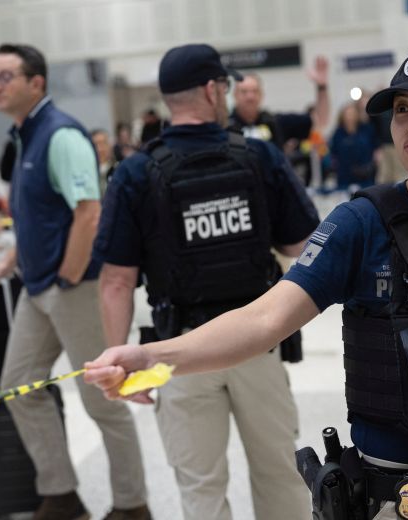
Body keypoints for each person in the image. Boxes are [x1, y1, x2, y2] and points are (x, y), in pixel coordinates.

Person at [85, 44, 408, 519]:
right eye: (403, 108)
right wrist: (153, 355)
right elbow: (264, 319)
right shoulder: (360, 224)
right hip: (407, 498)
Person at [93, 43, 320, 520]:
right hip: (257, 341)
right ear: (211, 89)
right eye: (225, 85)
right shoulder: (258, 157)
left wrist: (121, 363)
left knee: (199, 487)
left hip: (177, 353)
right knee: (281, 474)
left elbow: (115, 280)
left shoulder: (135, 172)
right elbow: (304, 250)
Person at [0, 43, 150, 520]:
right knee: (20, 386)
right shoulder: (24, 137)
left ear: (37, 82)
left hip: (70, 288)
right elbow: (37, 218)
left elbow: (88, 212)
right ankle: (61, 494)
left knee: (104, 400)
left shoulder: (60, 134)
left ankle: (133, 505)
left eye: (6, 76)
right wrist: (6, 266)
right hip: (37, 289)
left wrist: (68, 277)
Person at [228, 59, 330, 150]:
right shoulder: (225, 126)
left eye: (255, 91)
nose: (250, 97)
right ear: (235, 95)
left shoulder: (274, 123)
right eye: (244, 92)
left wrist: (322, 87)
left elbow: (319, 119)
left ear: (261, 95)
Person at [328, 101, 379, 193]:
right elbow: (333, 151)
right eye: (347, 114)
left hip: (365, 173)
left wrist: (373, 164)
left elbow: (376, 147)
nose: (349, 117)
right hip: (344, 174)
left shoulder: (367, 129)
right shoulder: (338, 133)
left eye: (352, 114)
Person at [90, 128, 117, 196]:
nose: (100, 149)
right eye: (96, 145)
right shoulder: (87, 173)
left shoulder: (119, 169)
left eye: (103, 143)